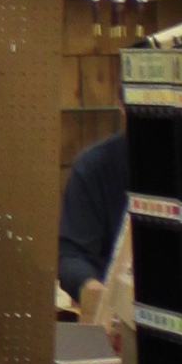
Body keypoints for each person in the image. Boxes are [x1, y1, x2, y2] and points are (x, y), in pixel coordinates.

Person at [58, 123, 133, 307]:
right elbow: (72, 256)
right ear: (122, 109)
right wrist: (97, 294)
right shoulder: (93, 166)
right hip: (114, 306)